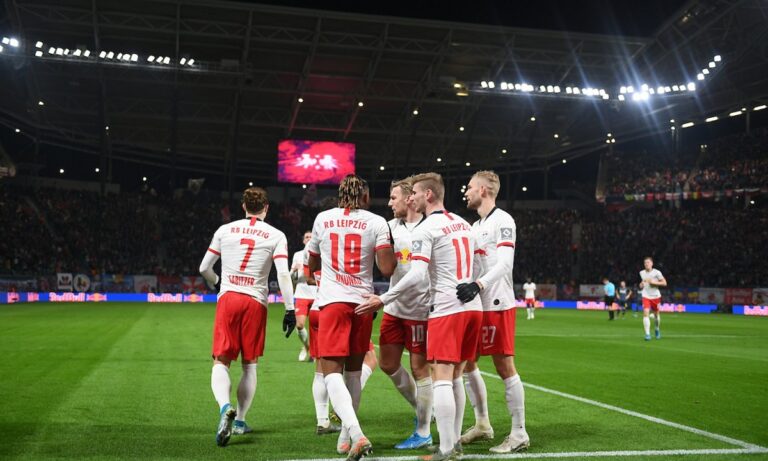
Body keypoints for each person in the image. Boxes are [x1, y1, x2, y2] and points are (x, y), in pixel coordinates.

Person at [357, 172, 482, 461]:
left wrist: (382, 298)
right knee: (455, 377)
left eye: (413, 193)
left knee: (440, 377)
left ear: (427, 195)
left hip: (443, 308)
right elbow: (477, 265)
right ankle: (454, 443)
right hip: (471, 306)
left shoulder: (427, 228)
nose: (410, 198)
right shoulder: (463, 224)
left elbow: (416, 274)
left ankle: (444, 446)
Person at [198, 187, 297, 447]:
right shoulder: (276, 235)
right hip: (255, 302)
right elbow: (283, 273)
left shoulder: (225, 230)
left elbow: (204, 267)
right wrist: (290, 309)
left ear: (243, 206)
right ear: (266, 208)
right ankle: (240, 421)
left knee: (221, 361)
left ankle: (225, 408)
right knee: (249, 364)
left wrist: (218, 282)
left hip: (229, 298)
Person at [307, 174, 396, 460]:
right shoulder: (377, 222)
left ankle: (356, 434)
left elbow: (311, 262)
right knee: (354, 373)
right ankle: (345, 438)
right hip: (362, 304)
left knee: (331, 372)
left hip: (332, 302)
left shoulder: (322, 219)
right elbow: (387, 269)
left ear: (340, 194)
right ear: (366, 196)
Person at [457, 171, 530, 454]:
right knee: (467, 361)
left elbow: (505, 264)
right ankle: (482, 424)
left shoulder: (503, 220)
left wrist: (478, 285)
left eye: (470, 187)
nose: (466, 192)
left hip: (497, 303)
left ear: (484, 190)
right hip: (476, 305)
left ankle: (519, 433)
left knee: (504, 366)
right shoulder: (474, 226)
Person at [377, 177, 433, 449]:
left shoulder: (429, 227)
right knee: (387, 363)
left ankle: (423, 431)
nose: (390, 203)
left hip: (420, 309)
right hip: (394, 308)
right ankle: (423, 408)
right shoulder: (388, 228)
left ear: (410, 198)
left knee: (419, 368)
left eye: (394, 197)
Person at [291, 230, 315, 362]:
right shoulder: (298, 255)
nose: (309, 239)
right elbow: (291, 277)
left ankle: (316, 352)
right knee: (300, 325)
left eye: (311, 237)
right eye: (307, 237)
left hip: (317, 294)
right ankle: (307, 347)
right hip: (301, 294)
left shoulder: (320, 253)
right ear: (303, 240)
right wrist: (294, 272)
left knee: (317, 326)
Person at [639, 257, 667, 341]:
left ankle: (657, 329)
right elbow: (643, 282)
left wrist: (654, 282)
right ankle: (647, 334)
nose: (646, 264)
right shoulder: (641, 272)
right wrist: (641, 285)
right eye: (645, 263)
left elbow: (664, 283)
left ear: (652, 263)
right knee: (646, 313)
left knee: (656, 316)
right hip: (646, 295)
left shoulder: (657, 272)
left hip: (655, 296)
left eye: (648, 262)